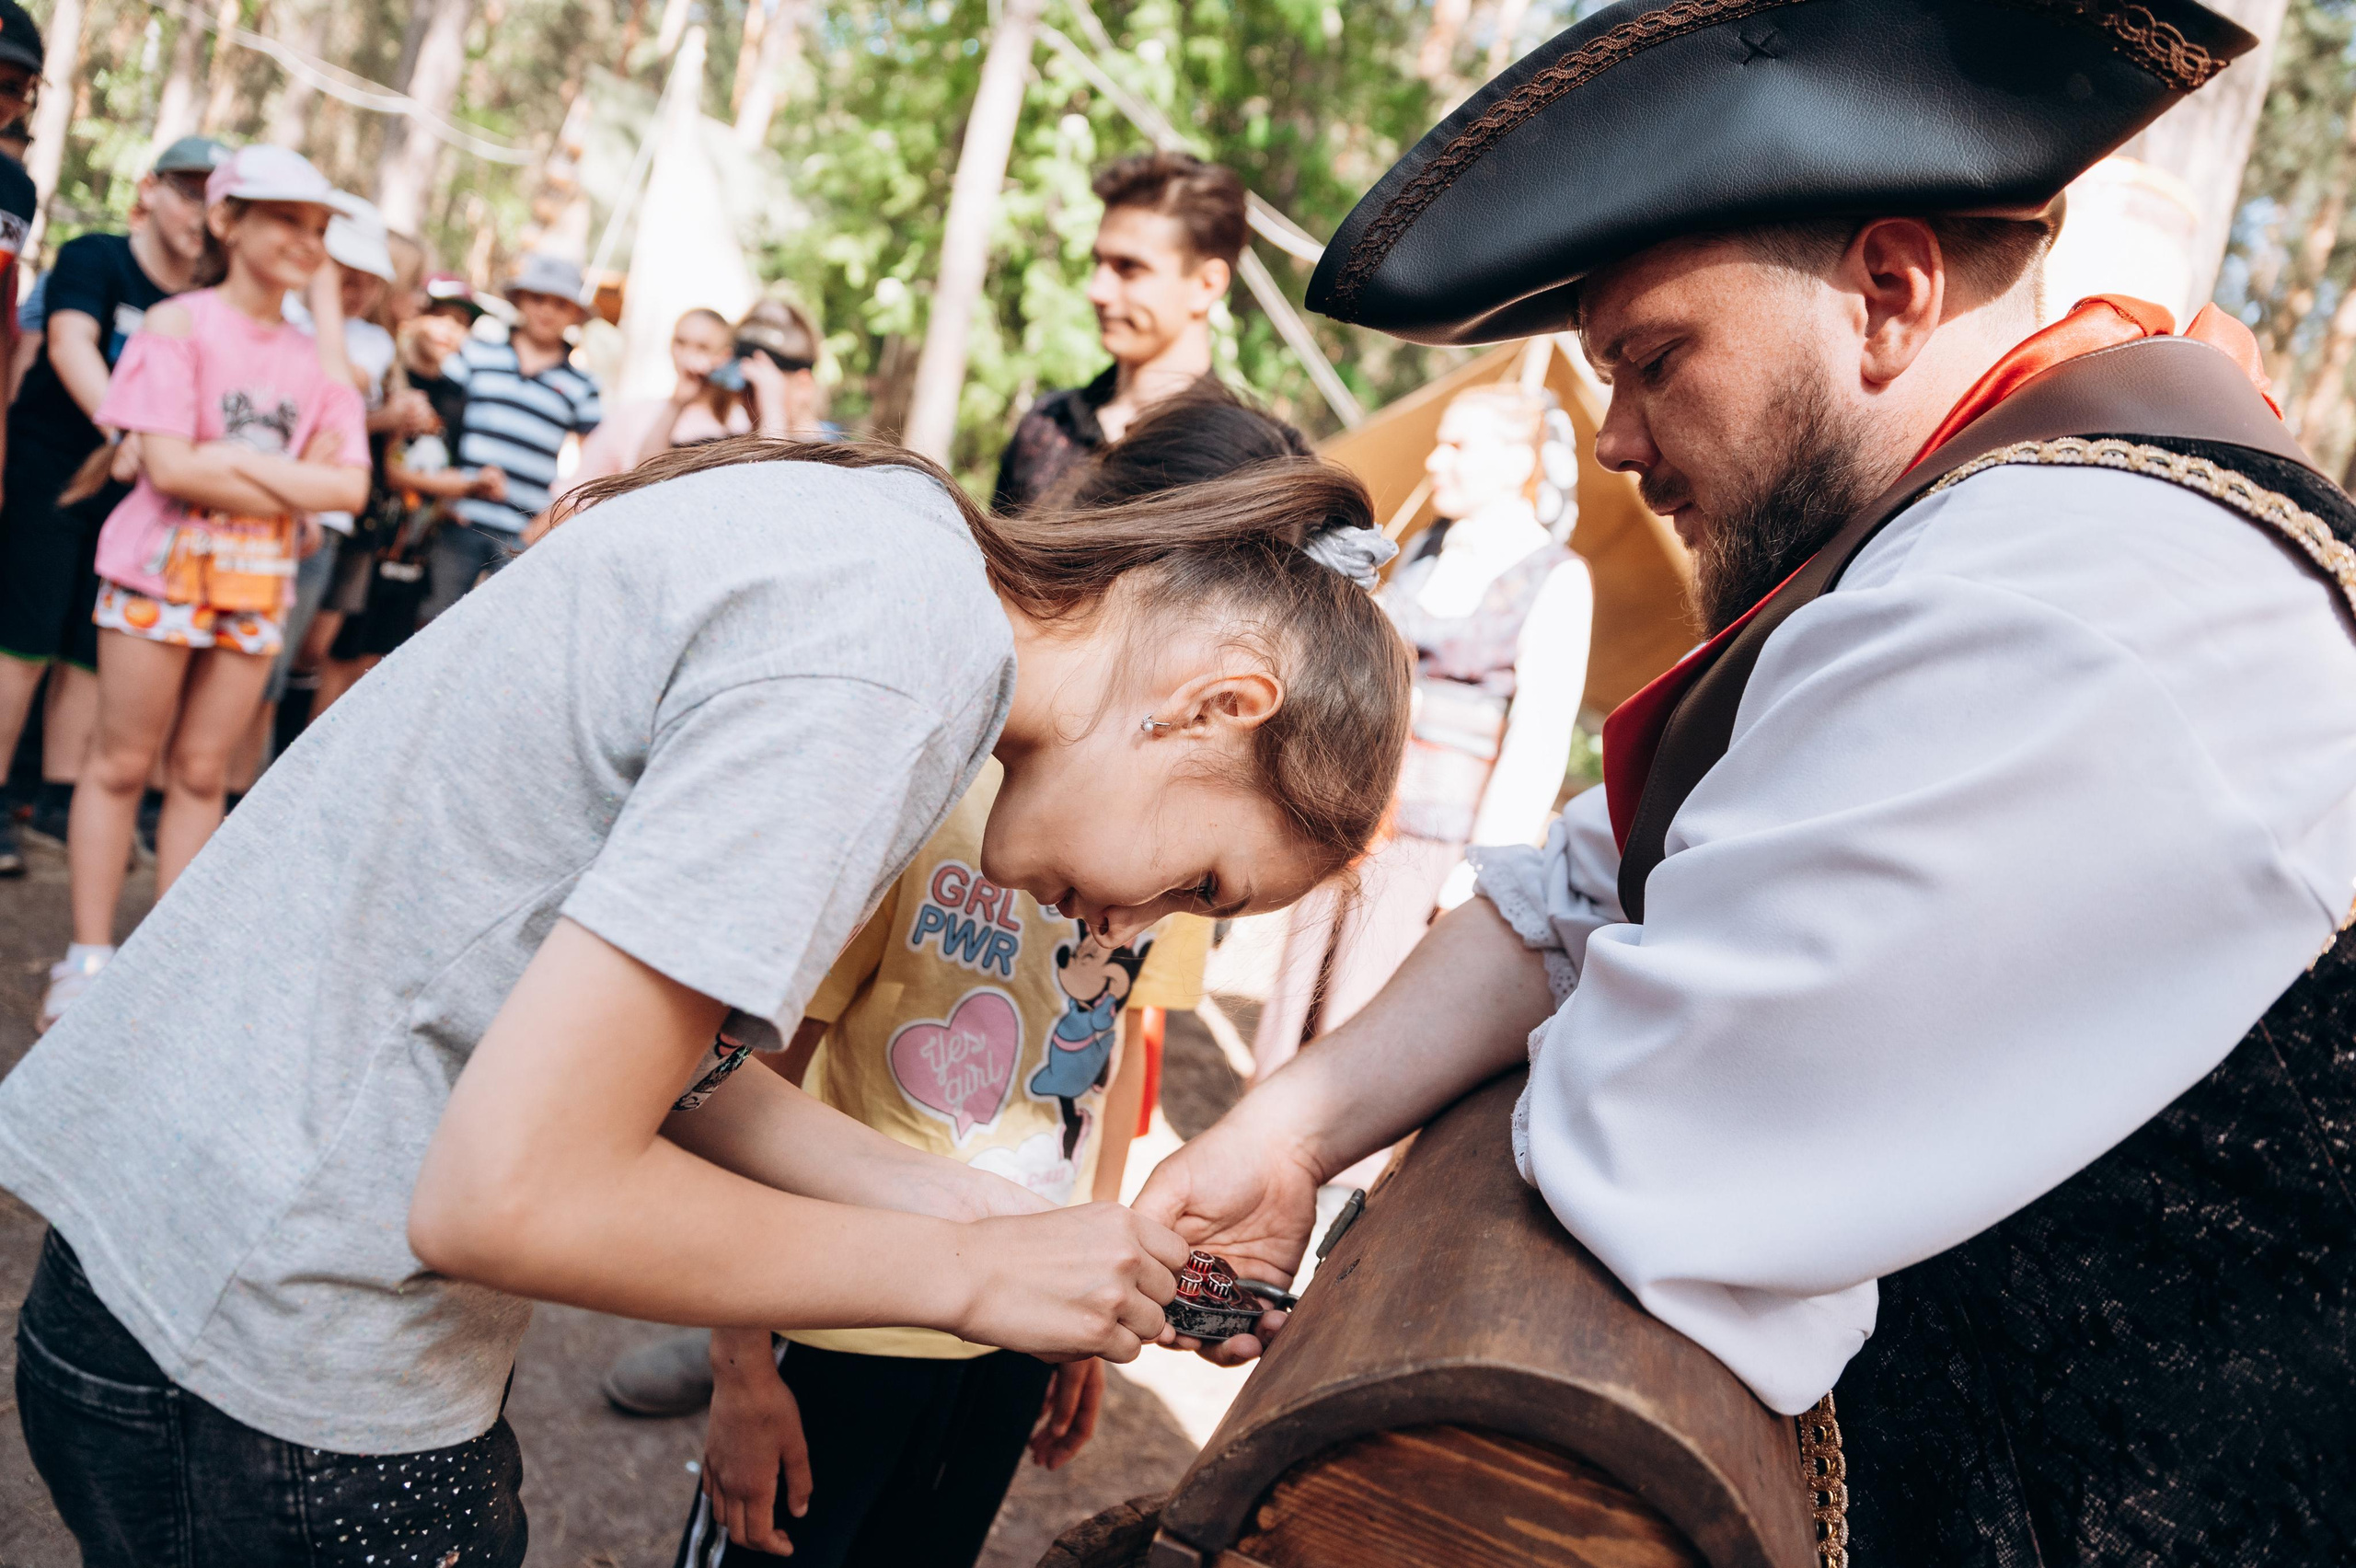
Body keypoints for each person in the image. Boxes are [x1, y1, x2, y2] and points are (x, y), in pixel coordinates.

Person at [1141, 3, 2356, 1562]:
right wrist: (1294, 1126)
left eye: (1654, 361)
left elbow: (1654, 1146)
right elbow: (1594, 879)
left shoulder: (2058, 597)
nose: (1624, 446)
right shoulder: (1956, 540)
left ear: (1890, 293)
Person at [0, 422, 1411, 1566]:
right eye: (1202, 884)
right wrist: (972, 1278)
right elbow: (512, 1194)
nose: (1138, 928)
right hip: (280, 1359)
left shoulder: (886, 551)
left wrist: (1002, 1214)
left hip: (175, 1280)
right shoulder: (892, 663)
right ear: (1221, 704)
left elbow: (666, 1072)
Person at [651, 392, 1298, 1568]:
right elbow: (735, 1077)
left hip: (1009, 1329)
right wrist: (742, 1368)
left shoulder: (1181, 858)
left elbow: (1109, 1071)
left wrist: (1085, 1307)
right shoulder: (918, 792)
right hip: (836, 1310)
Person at [38, 144, 369, 1026]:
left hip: (256, 590)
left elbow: (350, 488)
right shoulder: (176, 326)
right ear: (229, 221)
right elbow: (173, 470)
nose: (308, 242)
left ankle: (162, 969)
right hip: (158, 572)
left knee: (199, 774)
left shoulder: (316, 359)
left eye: (320, 227)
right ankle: (88, 958)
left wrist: (222, 457)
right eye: (286, 220)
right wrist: (259, 474)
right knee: (119, 763)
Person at [1253, 383, 1591, 1076]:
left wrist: (1476, 873)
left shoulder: (1556, 579)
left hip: (1434, 845)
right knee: (1298, 1006)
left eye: (1459, 445)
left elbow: (1537, 738)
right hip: (1354, 817)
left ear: (1515, 461)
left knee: (1365, 1025)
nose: (1436, 461)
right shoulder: (1426, 550)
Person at [0, 125, 219, 875]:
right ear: (150, 192)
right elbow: (68, 345)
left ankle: (56, 799)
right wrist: (128, 430)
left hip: (141, 498)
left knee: (89, 649)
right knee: (23, 639)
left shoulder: (205, 303)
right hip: (56, 468)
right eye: (189, 189)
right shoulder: (96, 257)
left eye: (215, 197)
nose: (200, 209)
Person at [991, 151, 1242, 512]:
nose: (1097, 291)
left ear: (1206, 284)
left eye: (1130, 268)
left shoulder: (1244, 462)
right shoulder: (1047, 425)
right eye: (1099, 263)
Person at [424, 251, 601, 618]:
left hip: (523, 531)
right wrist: (442, 495)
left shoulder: (583, 386)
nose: (547, 311)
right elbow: (438, 429)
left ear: (575, 314)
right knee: (432, 619)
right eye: (538, 298)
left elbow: (594, 461)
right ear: (520, 299)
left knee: (502, 629)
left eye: (560, 303)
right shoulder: (475, 354)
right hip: (460, 518)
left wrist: (552, 517)